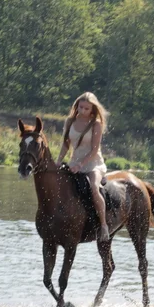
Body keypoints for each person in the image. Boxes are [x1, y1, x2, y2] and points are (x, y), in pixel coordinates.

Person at [55, 92, 110, 242]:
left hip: (93, 163)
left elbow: (94, 150)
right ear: (77, 105)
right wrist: (59, 160)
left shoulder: (96, 124)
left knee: (93, 187)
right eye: (81, 107)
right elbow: (66, 144)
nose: (83, 111)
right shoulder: (70, 121)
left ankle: (104, 226)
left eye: (87, 108)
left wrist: (81, 165)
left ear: (92, 109)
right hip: (74, 162)